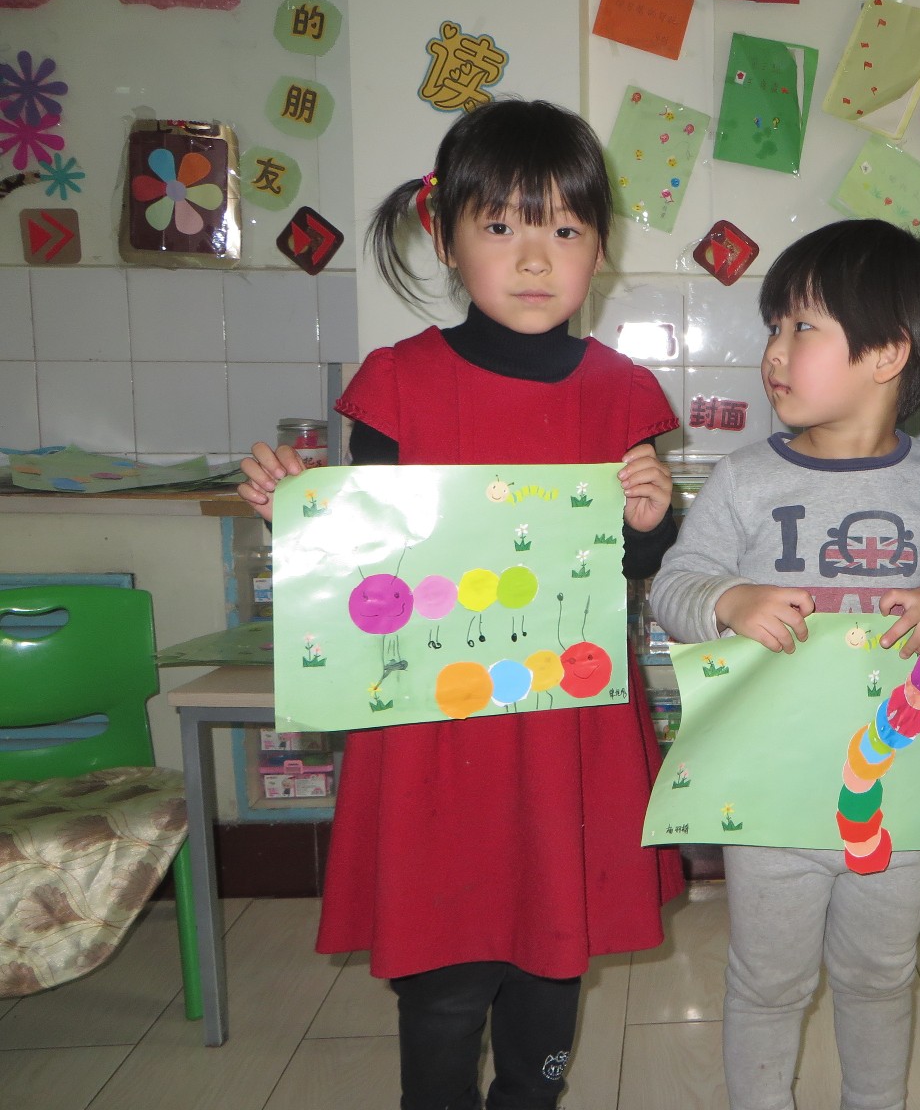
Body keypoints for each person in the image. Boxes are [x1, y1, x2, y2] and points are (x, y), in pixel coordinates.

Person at [236, 98, 684, 1110]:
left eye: (564, 229)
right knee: (442, 981)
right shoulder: (398, 383)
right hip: (433, 735)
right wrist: (299, 517)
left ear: (599, 250)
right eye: (500, 225)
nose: (533, 257)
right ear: (445, 239)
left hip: (567, 727)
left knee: (551, 965)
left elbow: (632, 558)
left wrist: (653, 519)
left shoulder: (621, 393)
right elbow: (367, 574)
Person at [648, 220, 920, 1110]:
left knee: (881, 975)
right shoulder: (743, 480)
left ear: (887, 353)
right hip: (769, 793)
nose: (774, 350)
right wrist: (730, 600)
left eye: (802, 327)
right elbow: (674, 589)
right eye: (775, 326)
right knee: (768, 981)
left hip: (898, 791)